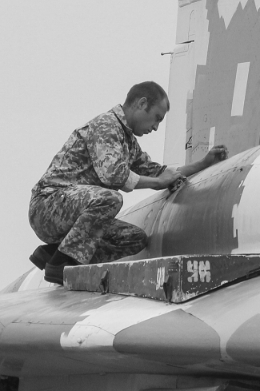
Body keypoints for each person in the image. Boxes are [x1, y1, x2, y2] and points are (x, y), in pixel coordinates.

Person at [28, 81, 228, 285]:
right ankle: (61, 264)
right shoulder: (105, 126)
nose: (156, 127)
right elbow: (113, 175)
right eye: (157, 118)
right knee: (110, 198)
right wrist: (158, 183)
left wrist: (204, 163)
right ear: (142, 104)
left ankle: (54, 254)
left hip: (73, 214)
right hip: (48, 206)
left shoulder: (128, 143)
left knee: (134, 238)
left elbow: (159, 172)